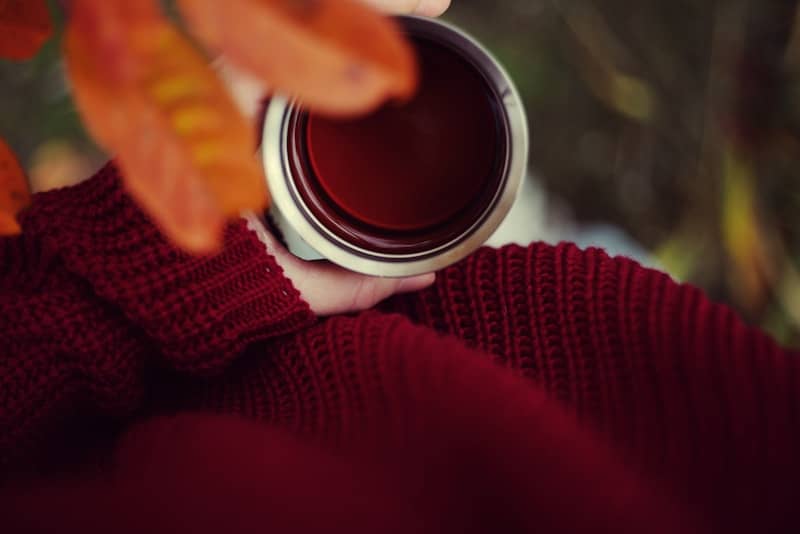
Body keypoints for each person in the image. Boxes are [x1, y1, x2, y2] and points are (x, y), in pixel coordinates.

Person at [1, 2, 798, 533]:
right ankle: (516, 225)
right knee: (544, 232)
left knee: (485, 210)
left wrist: (124, 284)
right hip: (631, 365)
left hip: (265, 330)